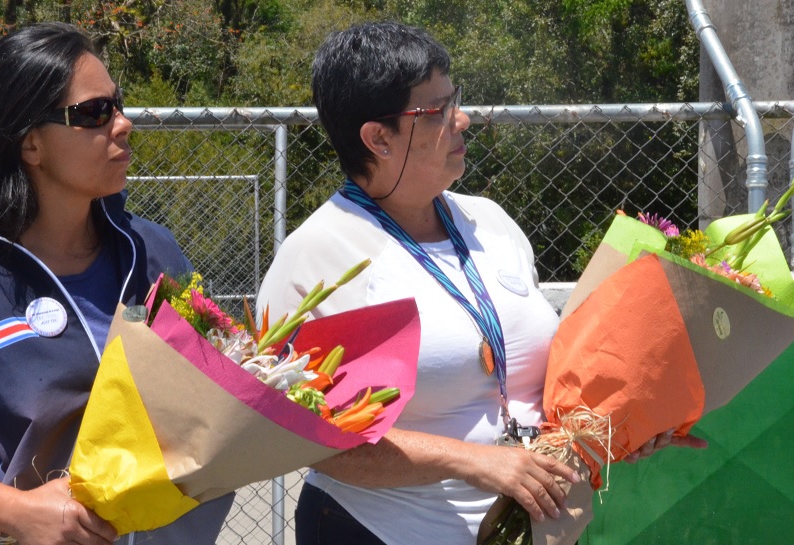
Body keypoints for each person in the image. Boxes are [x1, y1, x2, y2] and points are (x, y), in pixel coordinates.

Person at [256, 22, 706, 545]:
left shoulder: (489, 222)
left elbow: (545, 380)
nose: (462, 119)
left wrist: (620, 424)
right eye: (438, 111)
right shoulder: (317, 259)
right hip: (380, 531)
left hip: (535, 530)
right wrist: (473, 462)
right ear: (379, 138)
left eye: (456, 100)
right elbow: (301, 438)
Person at [0, 23, 233, 545]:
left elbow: (213, 388)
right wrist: (15, 511)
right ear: (31, 146)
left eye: (118, 103)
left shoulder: (152, 251)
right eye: (93, 113)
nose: (123, 124)